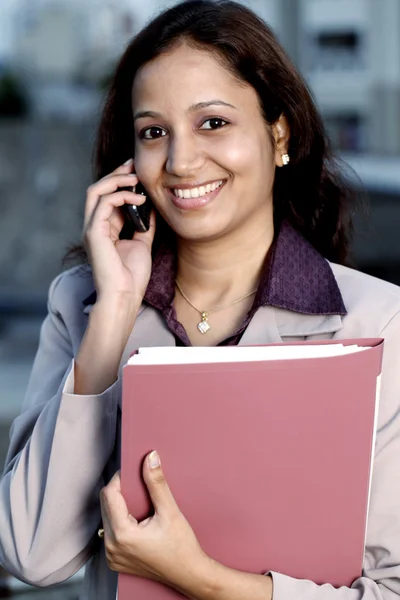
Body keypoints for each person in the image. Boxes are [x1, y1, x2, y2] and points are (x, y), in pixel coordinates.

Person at [1, 0, 400, 598]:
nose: (182, 162)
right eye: (154, 132)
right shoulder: (84, 305)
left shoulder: (381, 321)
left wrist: (200, 579)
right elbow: (31, 554)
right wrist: (113, 315)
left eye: (213, 122)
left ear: (278, 131)